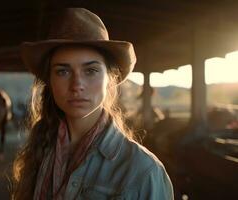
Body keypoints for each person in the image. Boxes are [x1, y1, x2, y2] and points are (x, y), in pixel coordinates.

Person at [12, 8, 174, 200]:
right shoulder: (40, 152)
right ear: (50, 81)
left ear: (110, 78)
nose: (77, 85)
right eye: (63, 71)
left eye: (90, 71)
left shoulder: (144, 171)